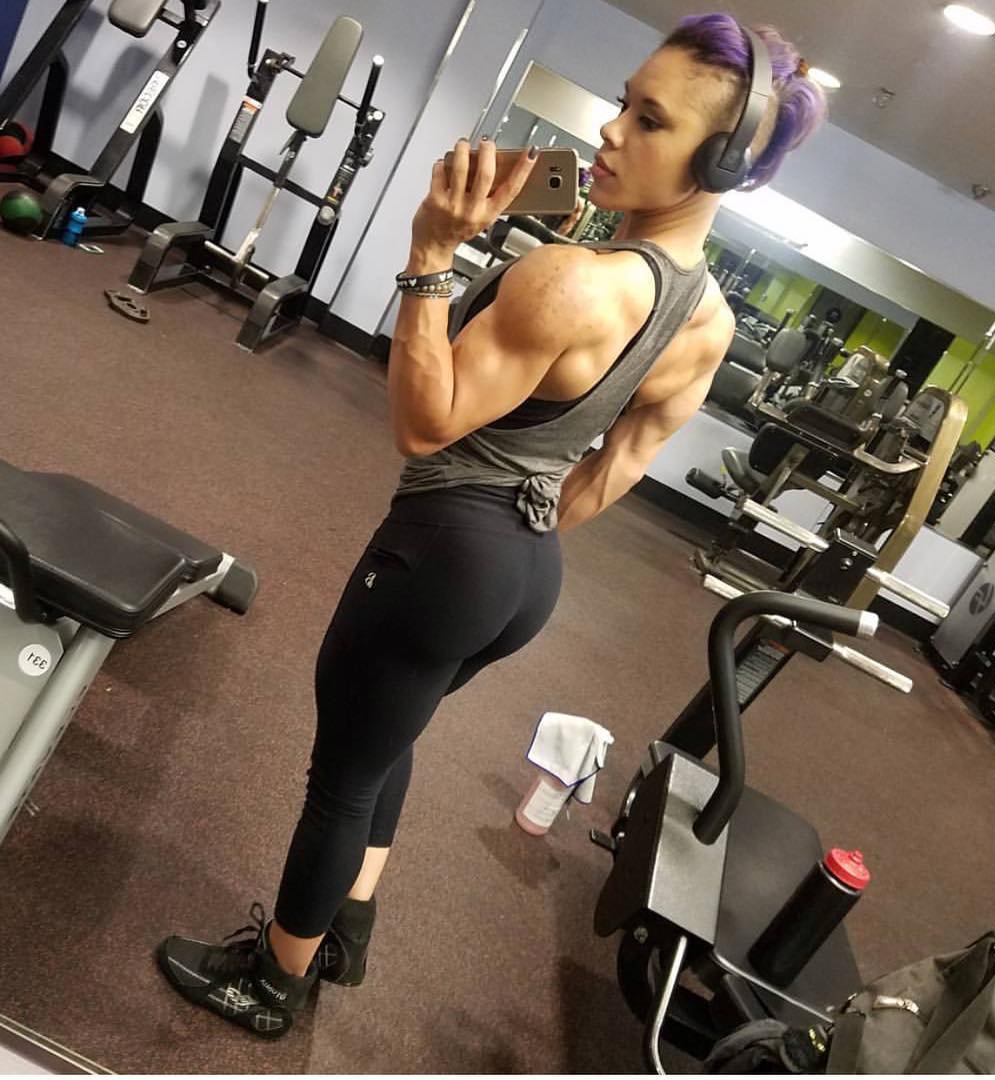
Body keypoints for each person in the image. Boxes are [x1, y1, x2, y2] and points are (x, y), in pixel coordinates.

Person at [157, 11, 826, 1038]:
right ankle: (350, 925)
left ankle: (274, 982)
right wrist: (510, 535)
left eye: (650, 121)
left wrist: (432, 251)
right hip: (525, 573)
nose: (610, 130)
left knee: (341, 776)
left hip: (442, 553)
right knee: (392, 732)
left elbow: (423, 423)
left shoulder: (570, 281)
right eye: (625, 103)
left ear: (722, 163)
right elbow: (612, 470)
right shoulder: (707, 320)